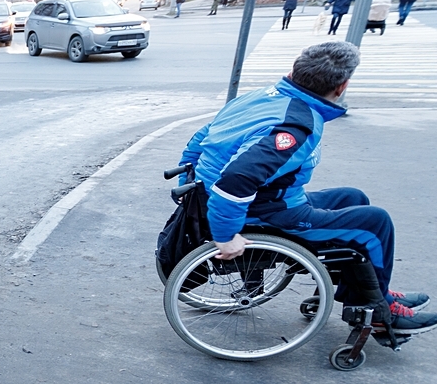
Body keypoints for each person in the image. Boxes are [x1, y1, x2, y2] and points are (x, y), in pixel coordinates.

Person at [178, 41, 436, 333]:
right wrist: (225, 236)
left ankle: (373, 291)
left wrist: (189, 184)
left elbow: (201, 137)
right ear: (341, 86)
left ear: (295, 70)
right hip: (264, 211)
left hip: (251, 198)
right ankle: (379, 311)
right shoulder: (294, 126)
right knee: (375, 222)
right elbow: (237, 179)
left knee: (354, 198)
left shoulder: (260, 97)